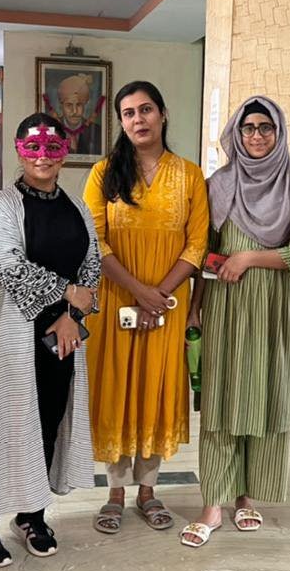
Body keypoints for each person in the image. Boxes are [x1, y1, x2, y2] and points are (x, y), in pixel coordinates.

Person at [0, 114, 100, 564]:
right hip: (13, 334)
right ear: (20, 151)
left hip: (62, 337)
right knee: (5, 425)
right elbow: (10, 267)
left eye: (53, 148)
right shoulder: (3, 206)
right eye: (33, 148)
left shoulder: (76, 207)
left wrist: (71, 315)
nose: (43, 156)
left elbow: (92, 264)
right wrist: (68, 294)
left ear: (65, 153)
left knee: (48, 420)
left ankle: (32, 513)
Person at [180, 97, 290, 548]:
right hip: (225, 303)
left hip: (273, 305)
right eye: (248, 127)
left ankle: (247, 496)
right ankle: (213, 503)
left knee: (264, 392)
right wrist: (195, 306)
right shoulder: (219, 183)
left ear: (279, 132)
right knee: (223, 395)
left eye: (265, 127)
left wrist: (250, 258)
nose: (256, 135)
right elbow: (203, 253)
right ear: (236, 133)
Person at [83, 81, 209, 534]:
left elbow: (197, 244)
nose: (139, 119)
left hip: (167, 305)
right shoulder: (104, 173)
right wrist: (139, 290)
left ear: (163, 114)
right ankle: (115, 493)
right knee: (118, 387)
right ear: (121, 122)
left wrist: (160, 294)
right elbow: (95, 241)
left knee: (155, 388)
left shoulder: (190, 175)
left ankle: (149, 491)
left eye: (146, 109)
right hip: (116, 299)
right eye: (129, 113)